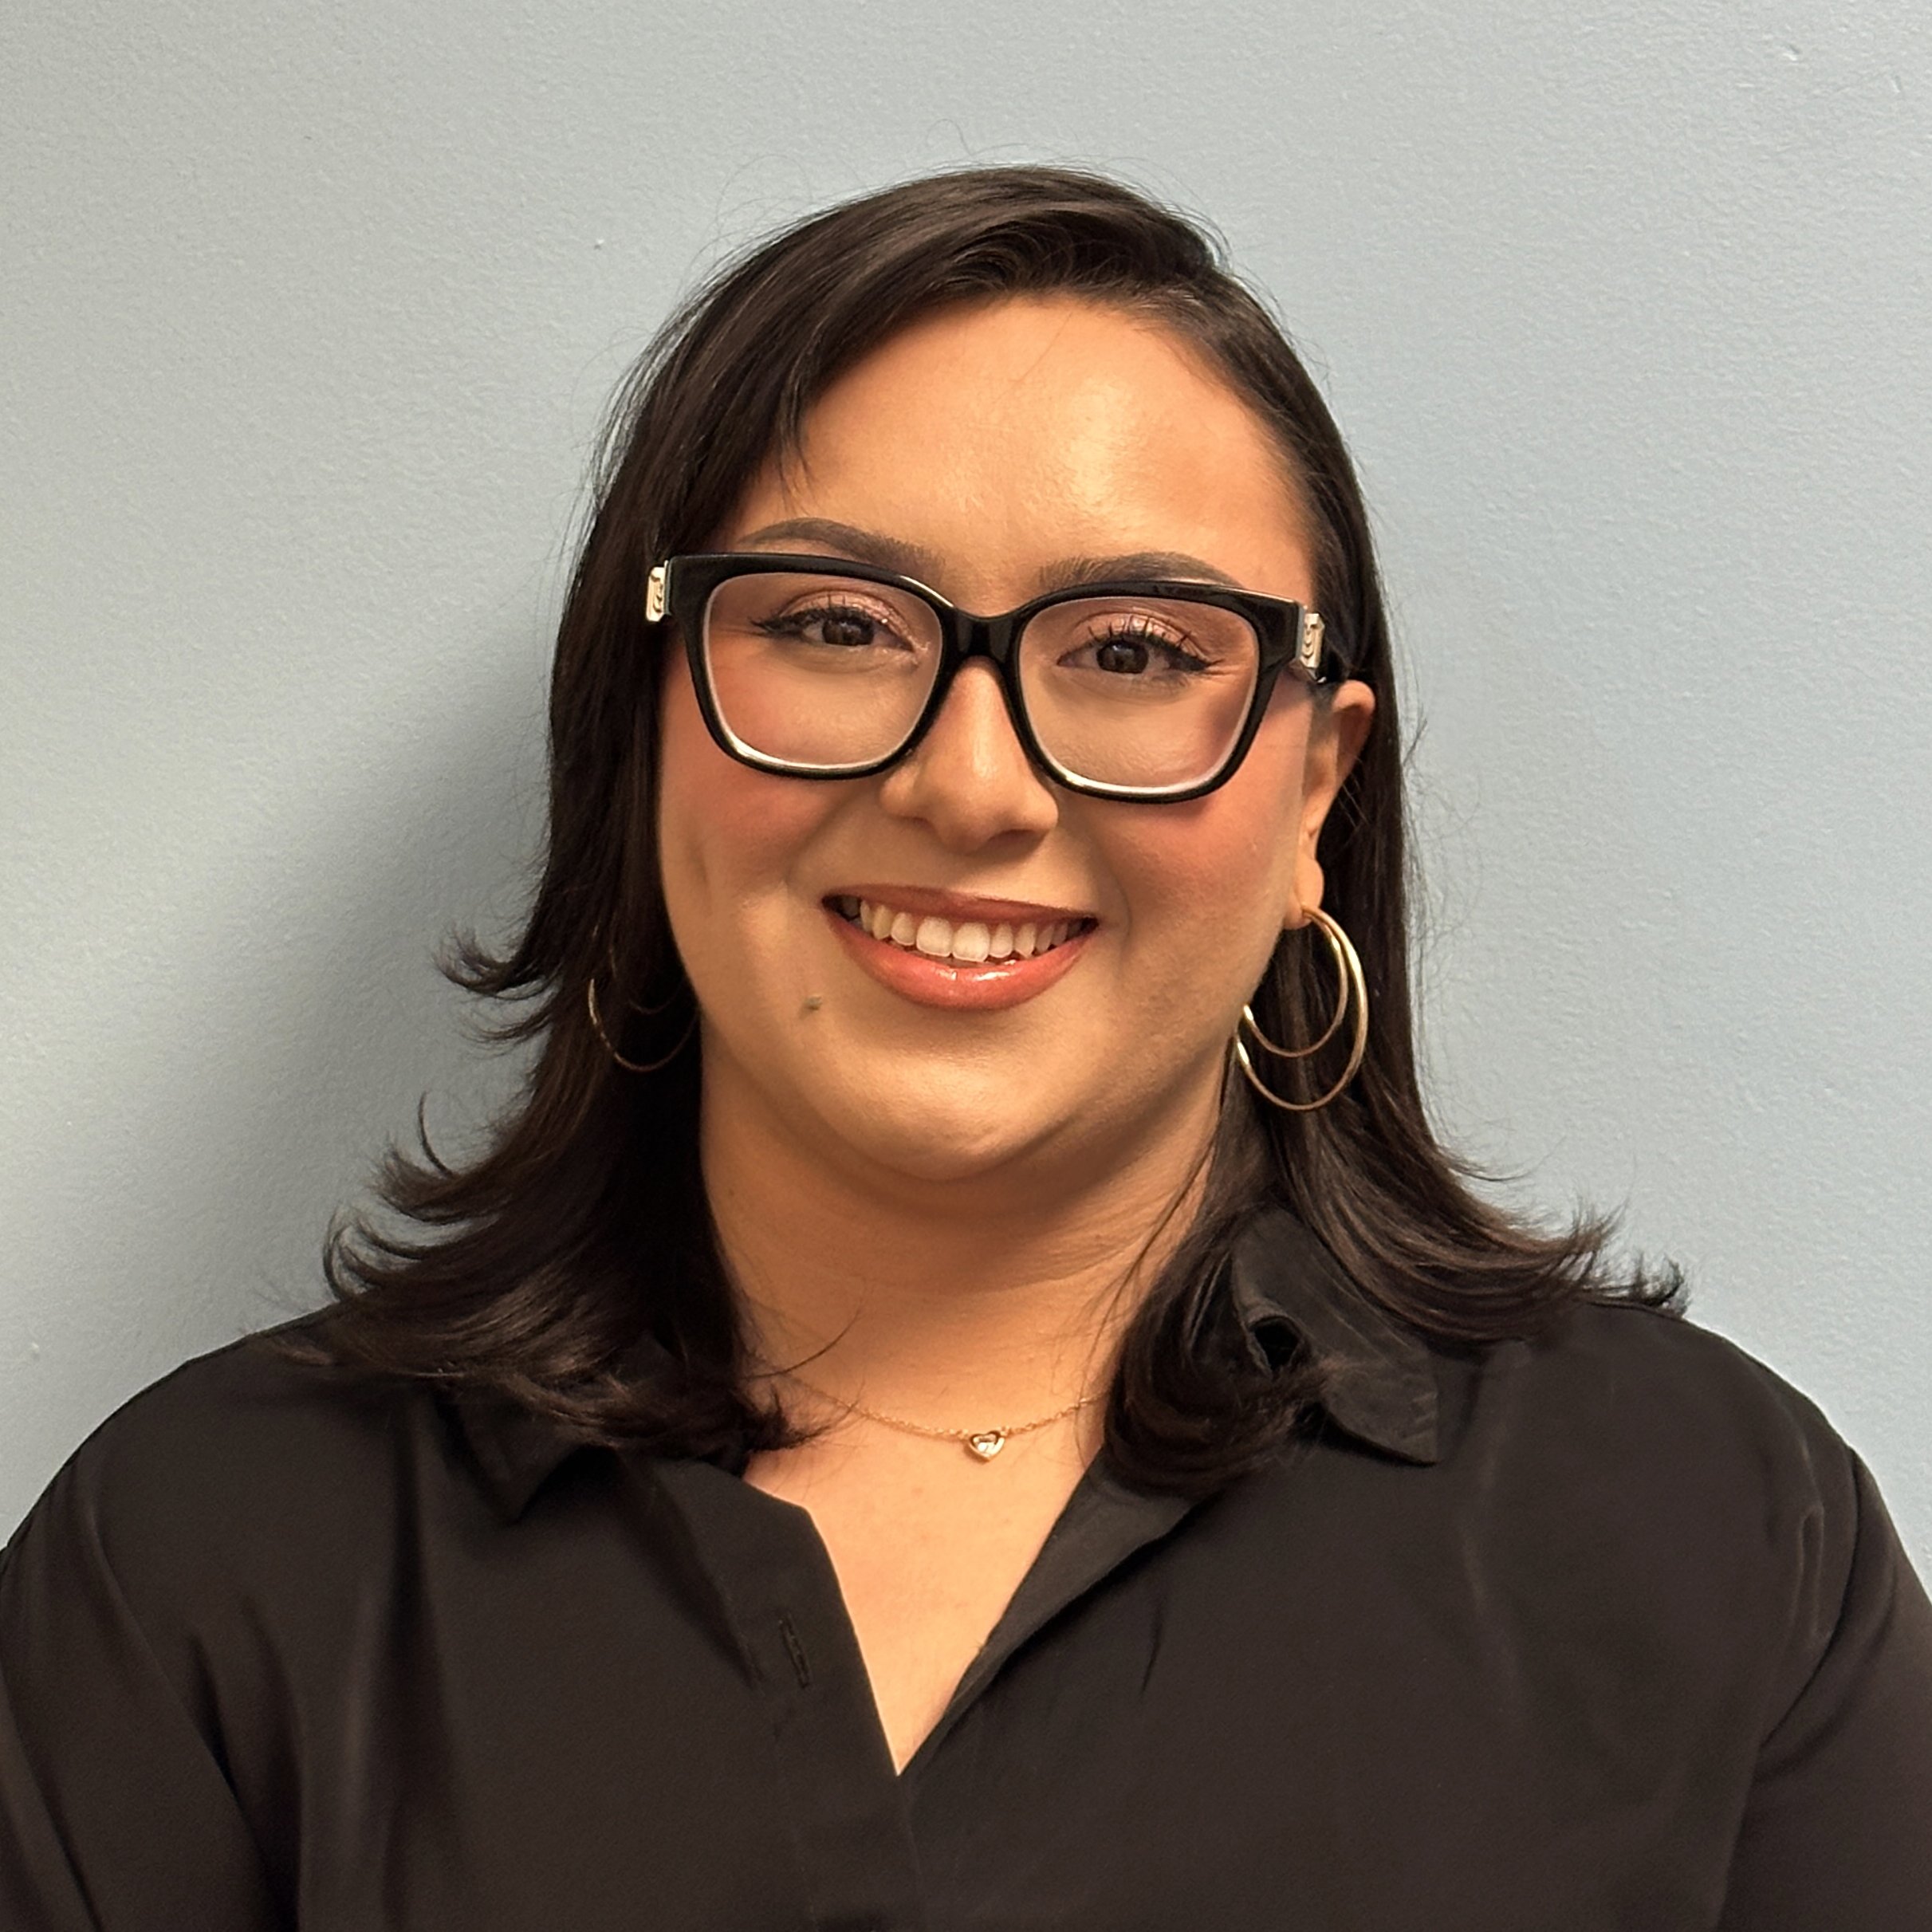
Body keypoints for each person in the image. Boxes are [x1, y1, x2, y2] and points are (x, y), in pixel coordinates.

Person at [2, 166, 1928, 1931]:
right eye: (837, 622)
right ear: (645, 722)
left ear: (1315, 793)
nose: (972, 785)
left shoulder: (1709, 1538)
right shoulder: (206, 1563)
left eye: (1139, 652)